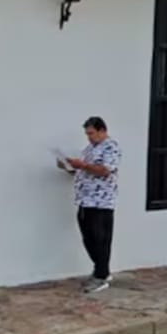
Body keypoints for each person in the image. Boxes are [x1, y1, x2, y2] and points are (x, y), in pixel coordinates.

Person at [56, 117, 121, 294]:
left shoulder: (111, 147)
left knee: (100, 240)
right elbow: (82, 170)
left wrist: (82, 165)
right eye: (87, 134)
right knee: (88, 238)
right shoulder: (89, 149)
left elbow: (105, 170)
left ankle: (101, 276)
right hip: (85, 201)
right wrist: (67, 165)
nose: (89, 137)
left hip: (101, 202)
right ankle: (102, 271)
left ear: (102, 130)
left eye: (91, 133)